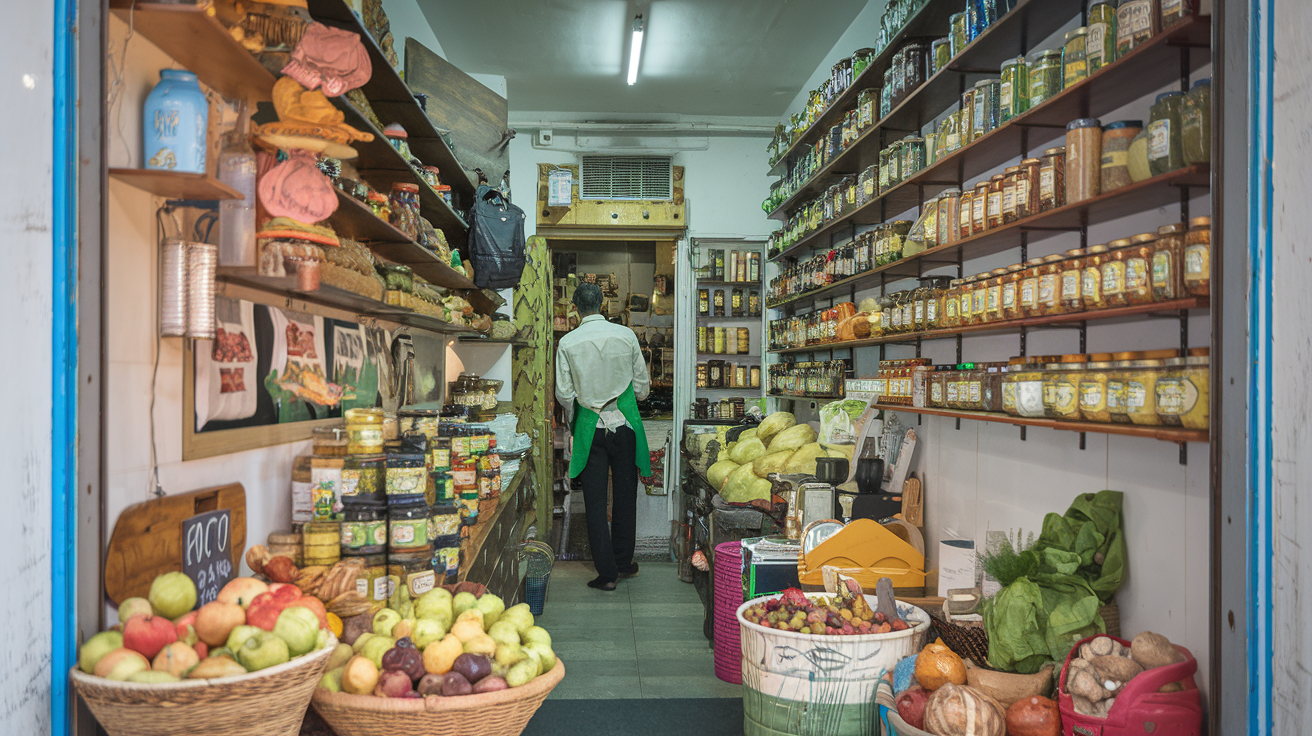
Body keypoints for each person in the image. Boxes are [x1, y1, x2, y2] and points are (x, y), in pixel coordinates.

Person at [555, 283, 651, 591]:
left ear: (575, 307)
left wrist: (575, 418)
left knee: (594, 501)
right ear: (602, 305)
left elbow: (564, 394)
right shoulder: (626, 336)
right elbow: (642, 388)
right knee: (625, 495)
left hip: (589, 427)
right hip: (624, 425)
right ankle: (624, 562)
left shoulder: (568, 343)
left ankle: (607, 573)